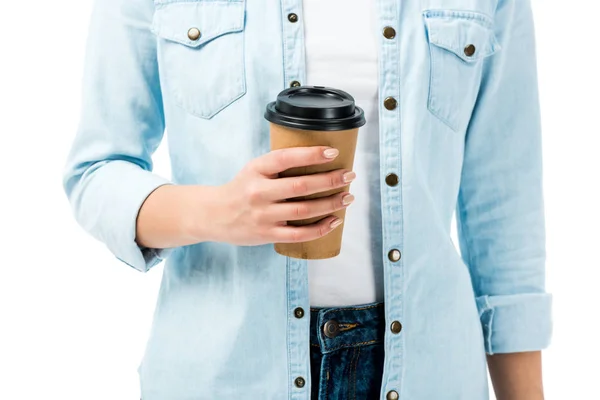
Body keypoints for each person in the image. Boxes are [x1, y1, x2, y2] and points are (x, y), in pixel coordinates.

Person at [63, 0, 552, 398]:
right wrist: (217, 212)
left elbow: (504, 211)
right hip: (224, 375)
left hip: (431, 372)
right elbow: (98, 170)